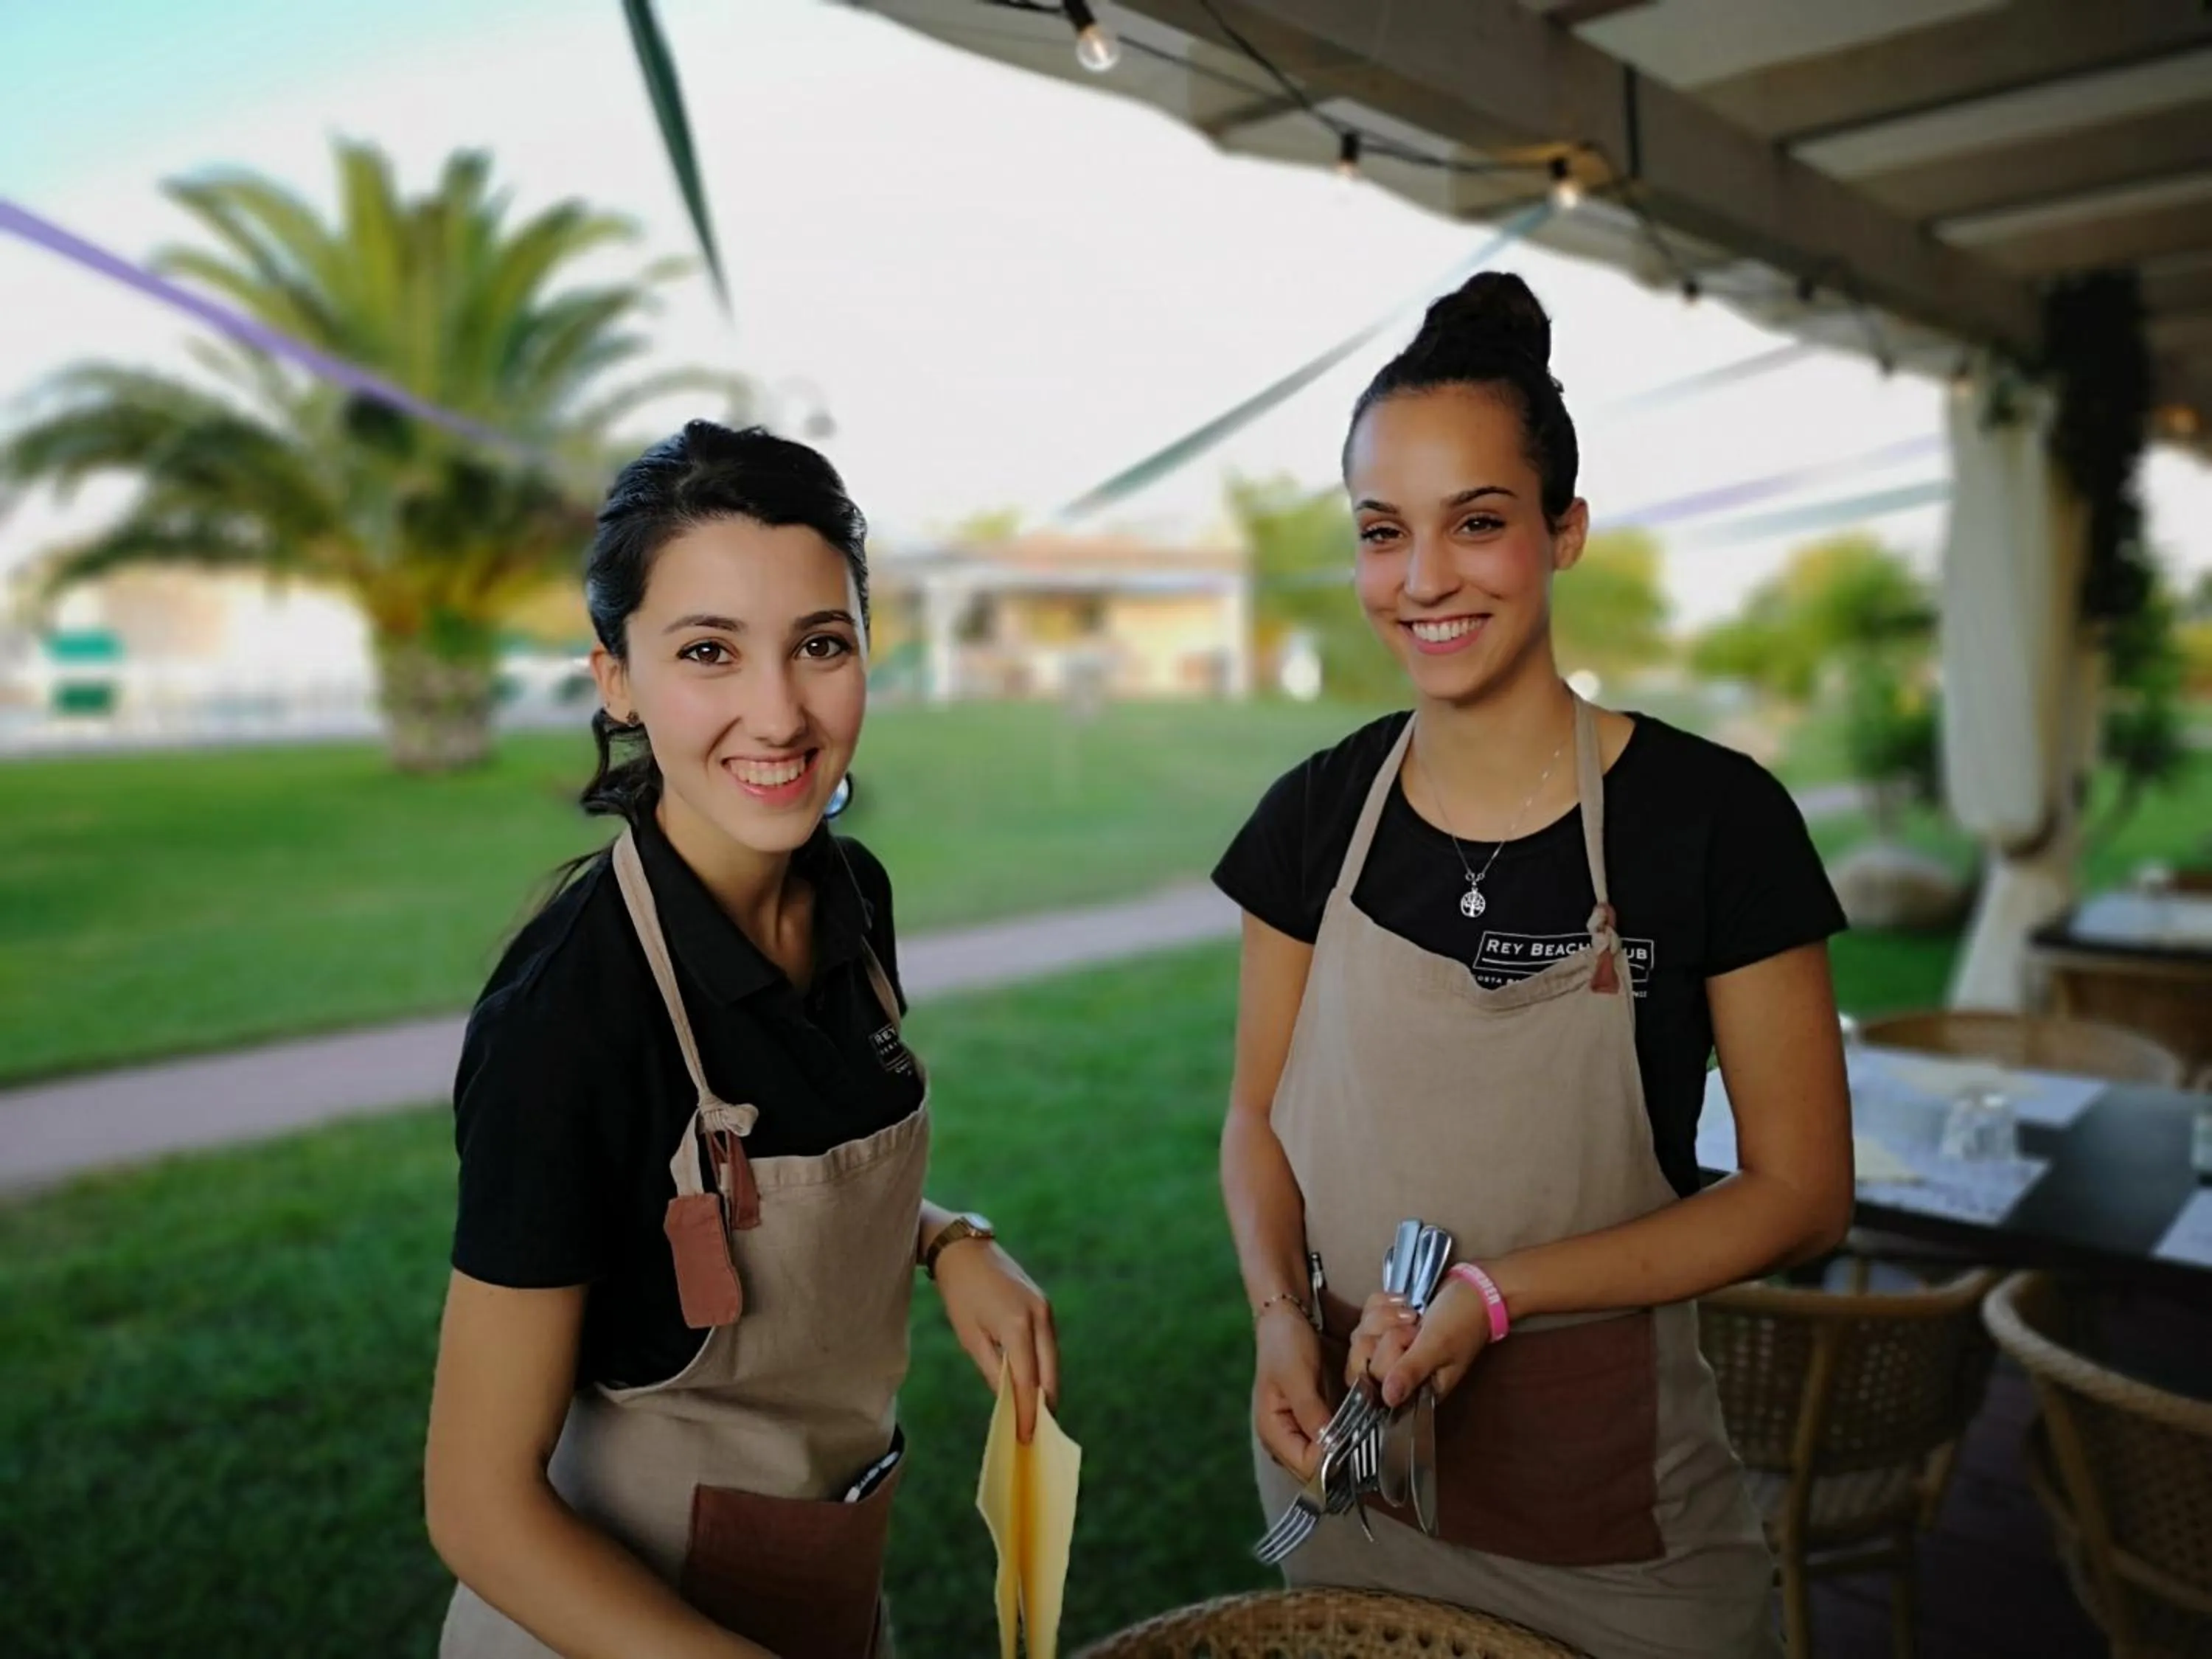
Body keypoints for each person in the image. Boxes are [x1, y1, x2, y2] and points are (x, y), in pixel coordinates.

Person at [1212, 274, 1853, 1658]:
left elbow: (1804, 1195)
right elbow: (1258, 1119)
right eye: (1384, 534)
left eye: (1478, 524)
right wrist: (1277, 1318)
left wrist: (1501, 1293)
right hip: (1347, 1485)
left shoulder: (1714, 823)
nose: (1424, 578)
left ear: (1565, 532)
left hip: (1613, 1530)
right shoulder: (1314, 817)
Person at [425, 420, 1057, 1659]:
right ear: (615, 677)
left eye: (820, 645)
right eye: (708, 651)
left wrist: (947, 1241)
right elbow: (477, 1505)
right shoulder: (568, 1020)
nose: (777, 714)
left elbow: (772, 1187)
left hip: (815, 1597)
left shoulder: (849, 897)